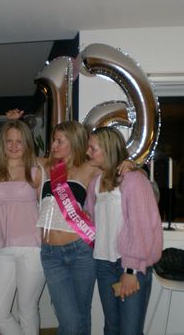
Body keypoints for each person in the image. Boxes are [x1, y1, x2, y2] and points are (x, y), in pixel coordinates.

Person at [36, 120, 134, 335]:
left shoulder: (88, 168)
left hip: (80, 250)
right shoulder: (47, 166)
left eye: (59, 141)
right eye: (54, 140)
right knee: (69, 321)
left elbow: (115, 160)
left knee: (81, 315)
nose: (53, 145)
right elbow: (14, 158)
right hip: (51, 255)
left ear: (74, 142)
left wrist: (133, 164)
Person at [84, 126, 163, 335]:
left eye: (93, 148)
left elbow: (141, 227)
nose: (87, 152)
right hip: (103, 264)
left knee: (130, 331)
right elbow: (91, 218)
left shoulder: (133, 180)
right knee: (111, 327)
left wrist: (131, 270)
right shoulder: (95, 183)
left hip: (128, 266)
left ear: (108, 149)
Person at [0, 119, 45, 335]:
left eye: (19, 141)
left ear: (27, 143)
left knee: (26, 310)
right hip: (0, 250)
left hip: (33, 249)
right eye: (9, 141)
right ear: (2, 143)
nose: (14, 146)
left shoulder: (36, 171)